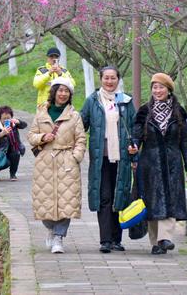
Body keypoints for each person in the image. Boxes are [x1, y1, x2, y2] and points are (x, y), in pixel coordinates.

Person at [132, 73, 187, 255]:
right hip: (149, 163)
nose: (157, 91)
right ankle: (155, 242)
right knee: (152, 202)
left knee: (171, 199)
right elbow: (136, 135)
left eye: (161, 87)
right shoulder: (144, 111)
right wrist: (134, 147)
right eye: (154, 87)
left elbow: (185, 141)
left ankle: (165, 238)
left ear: (169, 90)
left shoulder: (179, 111)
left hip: (172, 162)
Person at [80, 66, 137, 253]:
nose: (109, 81)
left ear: (118, 80)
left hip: (122, 159)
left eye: (113, 78)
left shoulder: (126, 101)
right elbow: (81, 125)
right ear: (101, 79)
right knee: (104, 197)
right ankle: (105, 240)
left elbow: (134, 128)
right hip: (100, 158)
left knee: (119, 196)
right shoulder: (93, 101)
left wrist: (134, 147)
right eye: (106, 78)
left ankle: (116, 239)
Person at [28, 77, 86, 254]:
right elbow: (31, 136)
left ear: (70, 95)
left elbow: (81, 139)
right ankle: (51, 229)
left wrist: (75, 157)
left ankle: (59, 237)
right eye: (60, 90)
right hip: (45, 162)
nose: (63, 94)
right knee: (45, 201)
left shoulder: (74, 116)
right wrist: (42, 138)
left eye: (66, 91)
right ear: (53, 92)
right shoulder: (41, 113)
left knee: (66, 201)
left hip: (67, 161)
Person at [0, 105, 27, 181]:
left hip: (13, 147)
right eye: (4, 118)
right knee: (5, 163)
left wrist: (19, 121)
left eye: (8, 118)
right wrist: (2, 134)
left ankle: (13, 174)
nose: (6, 120)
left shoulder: (13, 123)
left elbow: (25, 125)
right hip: (1, 149)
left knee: (16, 155)